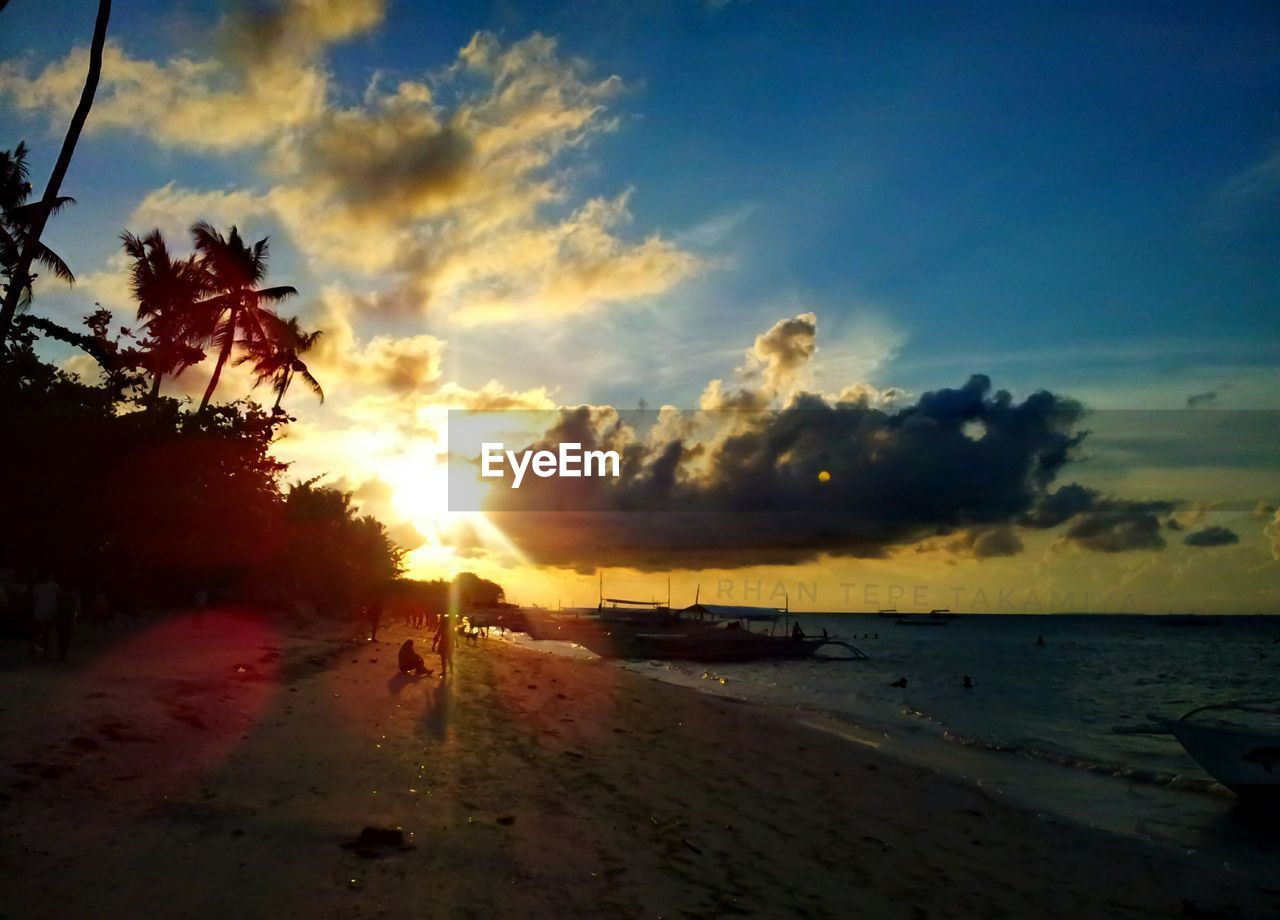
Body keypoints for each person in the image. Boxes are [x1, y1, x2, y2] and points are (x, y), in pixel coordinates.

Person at [29, 572, 59, 660]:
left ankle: (34, 649)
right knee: (46, 633)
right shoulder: (54, 586)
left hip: (39, 612)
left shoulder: (37, 586)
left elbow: (33, 598)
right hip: (49, 612)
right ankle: (44, 652)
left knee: (37, 632)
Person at [55, 585, 80, 662]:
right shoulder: (73, 595)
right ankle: (63, 654)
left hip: (63, 617)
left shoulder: (60, 594)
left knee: (62, 636)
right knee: (66, 637)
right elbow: (77, 607)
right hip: (68, 618)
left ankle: (62, 654)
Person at [434, 612, 454, 679]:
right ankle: (451, 671)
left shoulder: (442, 627)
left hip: (444, 644)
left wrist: (434, 645)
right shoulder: (450, 628)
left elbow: (437, 636)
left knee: (444, 659)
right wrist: (456, 643)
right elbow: (455, 636)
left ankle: (445, 672)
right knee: (449, 658)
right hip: (449, 644)